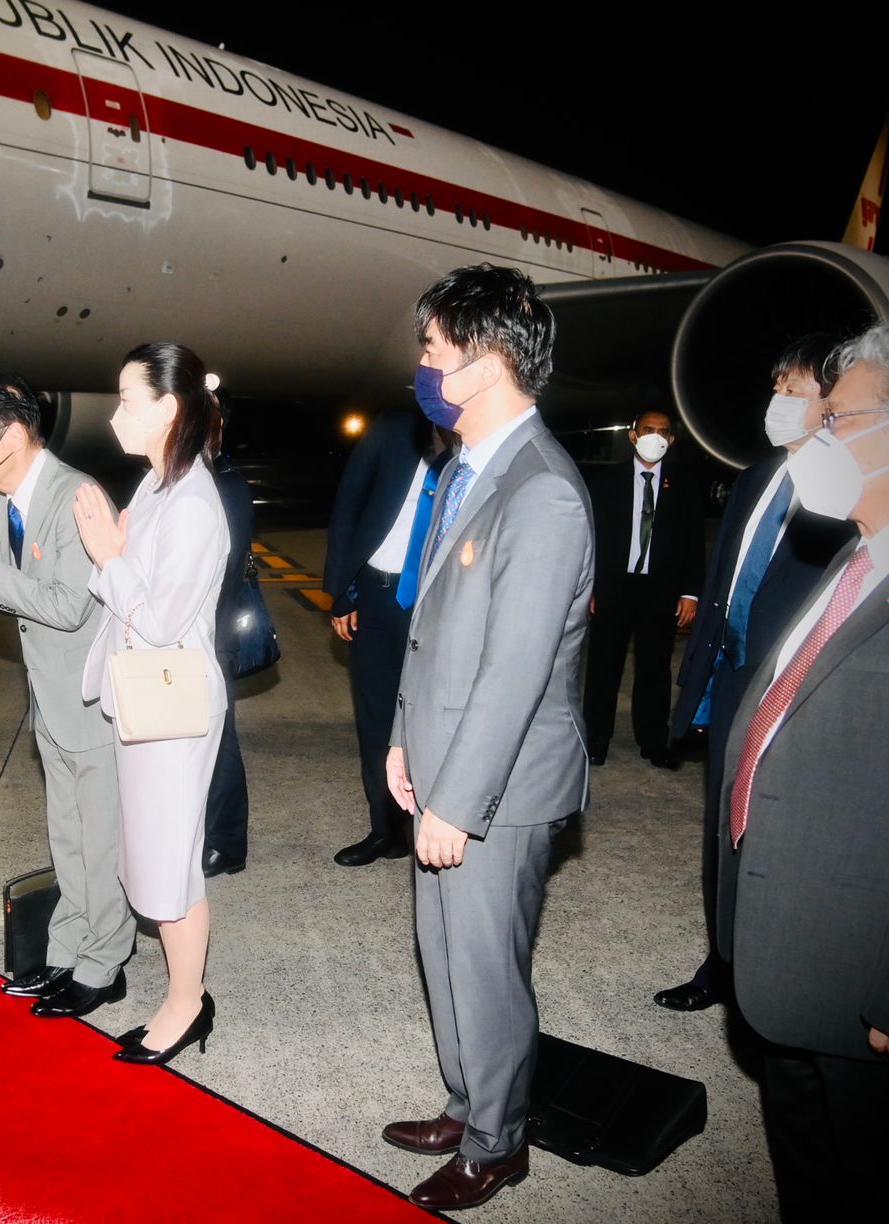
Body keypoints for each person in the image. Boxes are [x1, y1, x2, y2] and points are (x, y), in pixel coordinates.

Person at [717, 308, 889, 1222]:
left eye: (840, 418)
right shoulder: (863, 551)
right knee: (813, 1182)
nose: (818, 436)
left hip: (872, 995)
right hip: (792, 967)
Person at [380, 265, 593, 1211]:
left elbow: (516, 672)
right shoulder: (467, 468)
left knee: (487, 970)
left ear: (487, 360)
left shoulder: (541, 491)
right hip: (441, 762)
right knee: (445, 955)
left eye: (434, 348)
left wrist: (457, 801)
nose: (421, 364)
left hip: (495, 788)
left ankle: (499, 1142)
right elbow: (431, 632)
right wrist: (400, 743)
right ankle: (469, 1104)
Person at [0, 373, 135, 1018]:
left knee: (100, 841)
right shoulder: (13, 496)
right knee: (66, 835)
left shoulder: (72, 495)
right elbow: (24, 594)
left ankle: (106, 966)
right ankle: (71, 950)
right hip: (51, 697)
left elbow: (70, 606)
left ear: (11, 435)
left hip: (90, 702)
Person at [655, 335, 853, 1012]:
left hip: (794, 691)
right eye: (778, 387)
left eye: (795, 391)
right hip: (731, 675)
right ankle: (721, 961)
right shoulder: (757, 473)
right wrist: (699, 674)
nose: (779, 401)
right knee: (721, 829)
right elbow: (724, 577)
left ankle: (769, 975)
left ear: (835, 402)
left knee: (776, 836)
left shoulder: (851, 489)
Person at [74, 342, 229, 1067]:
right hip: (147, 695)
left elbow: (161, 621)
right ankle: (186, 992)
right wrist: (115, 553)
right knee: (160, 858)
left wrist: (108, 555)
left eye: (129, 402)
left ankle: (186, 1004)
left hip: (173, 701)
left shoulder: (193, 501)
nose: (116, 416)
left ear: (168, 408)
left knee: (168, 866)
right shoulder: (157, 485)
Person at [321, 409, 447, 865]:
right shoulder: (392, 433)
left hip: (436, 605)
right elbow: (349, 505)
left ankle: (431, 824)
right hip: (375, 593)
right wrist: (341, 593)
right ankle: (385, 830)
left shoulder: (475, 446)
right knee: (376, 716)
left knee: (432, 717)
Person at [582, 408, 706, 768]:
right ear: (633, 435)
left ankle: (653, 740)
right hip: (612, 587)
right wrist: (588, 585)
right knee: (604, 665)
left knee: (655, 668)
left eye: (663, 431)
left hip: (661, 590)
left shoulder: (684, 486)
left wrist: (690, 593)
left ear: (671, 439)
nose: (656, 436)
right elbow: (589, 538)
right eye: (648, 429)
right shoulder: (606, 482)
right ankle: (595, 739)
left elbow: (693, 544)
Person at [203, 446, 254, 877]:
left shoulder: (227, 486)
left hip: (214, 634)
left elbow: (227, 566)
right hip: (189, 632)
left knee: (220, 740)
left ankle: (228, 842)